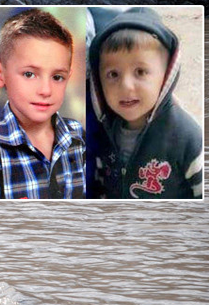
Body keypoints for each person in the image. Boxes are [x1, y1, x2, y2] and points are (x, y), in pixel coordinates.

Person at [87, 7, 203, 199]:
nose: (126, 86)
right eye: (113, 74)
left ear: (166, 76)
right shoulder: (104, 131)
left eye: (140, 72)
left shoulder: (188, 138)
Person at [0, 8, 85, 199]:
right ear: (0, 74)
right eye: (29, 74)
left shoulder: (77, 136)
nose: (45, 90)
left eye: (57, 77)